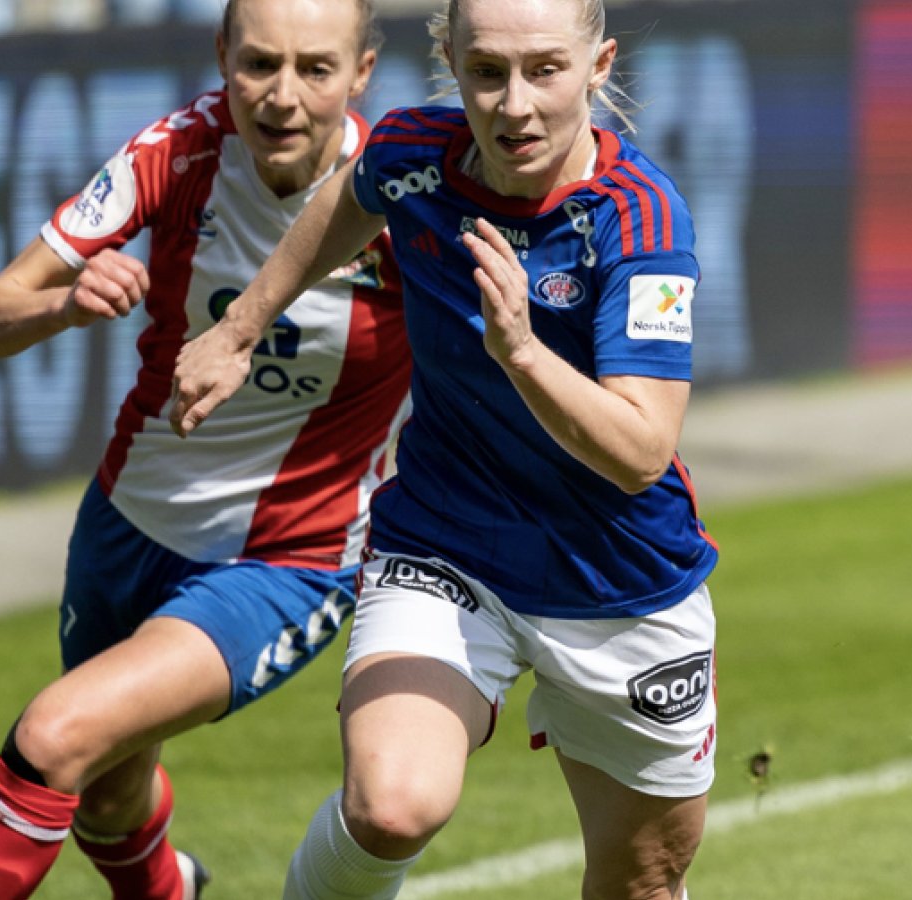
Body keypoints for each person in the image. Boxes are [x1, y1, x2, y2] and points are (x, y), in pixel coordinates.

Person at [171, 0, 721, 897]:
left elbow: (642, 450)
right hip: (445, 546)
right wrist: (241, 326)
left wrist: (524, 353)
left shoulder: (641, 221)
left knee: (644, 879)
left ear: (600, 65)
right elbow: (345, 205)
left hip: (621, 581)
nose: (514, 106)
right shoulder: (411, 153)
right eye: (485, 71)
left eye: (544, 70)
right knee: (391, 805)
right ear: (449, 62)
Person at [0, 1, 409, 897]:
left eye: (316, 69)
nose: (283, 98)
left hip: (285, 559)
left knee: (56, 735)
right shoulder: (176, 153)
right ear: (221, 55)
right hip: (127, 525)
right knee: (104, 796)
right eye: (258, 64)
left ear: (363, 72)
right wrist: (64, 303)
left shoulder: (401, 207)